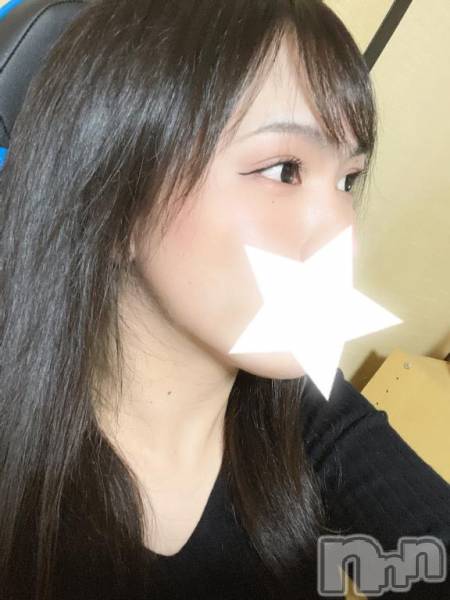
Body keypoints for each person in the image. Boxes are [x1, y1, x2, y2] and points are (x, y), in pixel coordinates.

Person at [0, 0, 448, 598]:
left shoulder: (305, 410)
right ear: (116, 195)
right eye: (284, 169)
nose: (341, 234)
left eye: (348, 180)